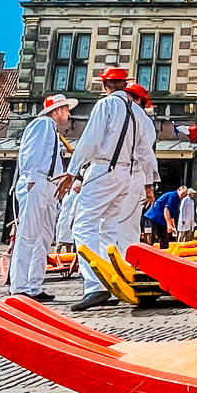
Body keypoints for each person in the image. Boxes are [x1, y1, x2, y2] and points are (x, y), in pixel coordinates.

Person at [64, 68, 158, 311]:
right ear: (124, 84)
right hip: (126, 175)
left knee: (82, 225)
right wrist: (149, 183)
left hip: (103, 170)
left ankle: (95, 285)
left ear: (106, 84)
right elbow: (146, 152)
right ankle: (111, 279)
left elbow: (89, 141)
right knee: (108, 228)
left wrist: (72, 171)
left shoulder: (106, 105)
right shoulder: (139, 113)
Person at [10, 93, 74, 300]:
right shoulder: (43, 124)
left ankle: (34, 286)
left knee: (44, 237)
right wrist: (31, 179)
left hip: (48, 185)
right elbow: (31, 153)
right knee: (28, 235)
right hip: (38, 182)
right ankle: (19, 287)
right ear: (57, 111)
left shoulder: (52, 130)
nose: (68, 114)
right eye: (66, 110)